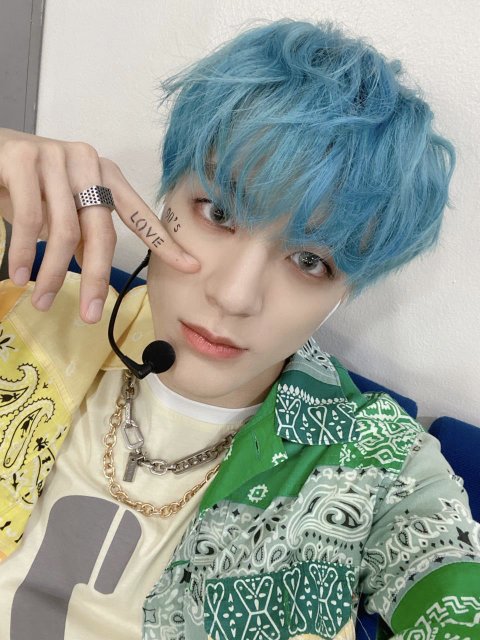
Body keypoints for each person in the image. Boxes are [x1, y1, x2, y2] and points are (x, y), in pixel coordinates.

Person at [0, 18, 479, 640]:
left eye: (310, 260)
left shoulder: (374, 460)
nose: (234, 295)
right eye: (219, 211)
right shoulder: (33, 312)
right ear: (164, 198)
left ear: (345, 291)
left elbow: (450, 586)